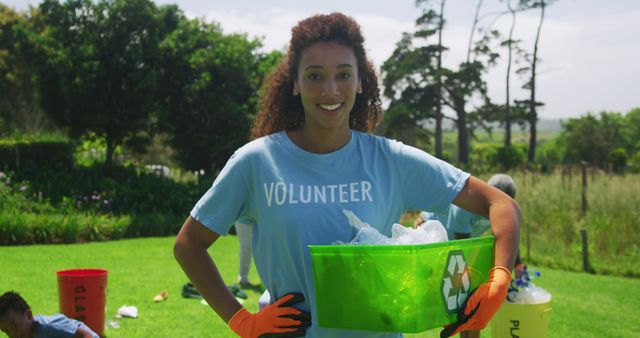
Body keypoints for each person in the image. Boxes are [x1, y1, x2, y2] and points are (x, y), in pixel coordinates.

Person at [173, 12, 520, 338]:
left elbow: (500, 204)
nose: (330, 90)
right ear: (294, 83)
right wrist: (242, 321)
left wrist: (500, 277)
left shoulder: (391, 160)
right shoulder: (257, 162)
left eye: (343, 74)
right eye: (314, 75)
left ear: (359, 83)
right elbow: (189, 245)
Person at [414, 173, 523, 338]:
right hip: (428, 233)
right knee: (462, 294)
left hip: (454, 241)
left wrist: (518, 265)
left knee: (469, 298)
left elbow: (507, 236)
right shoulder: (464, 208)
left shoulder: (500, 209)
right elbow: (463, 249)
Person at [0, 291, 99, 338]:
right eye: (7, 332)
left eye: (15, 326)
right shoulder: (25, 334)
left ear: (29, 314)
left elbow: (85, 335)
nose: (13, 334)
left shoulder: (49, 326)